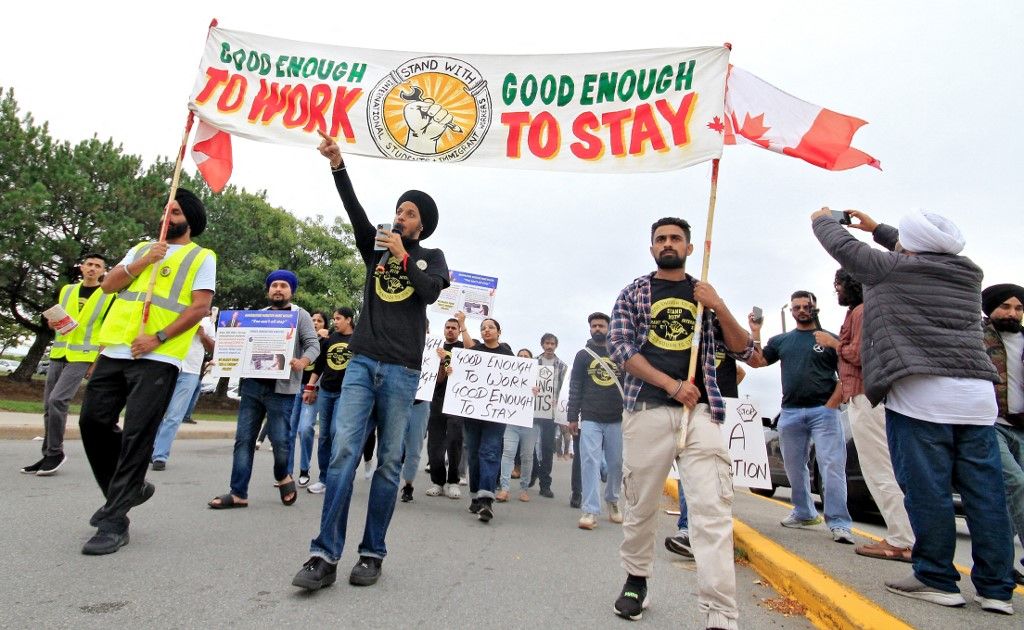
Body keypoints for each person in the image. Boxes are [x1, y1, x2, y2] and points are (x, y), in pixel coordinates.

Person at [812, 207, 1015, 613]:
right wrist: (880, 229)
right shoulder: (968, 271)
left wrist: (823, 217)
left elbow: (839, 243)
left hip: (922, 394)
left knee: (928, 490)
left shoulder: (889, 271)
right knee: (986, 495)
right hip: (976, 398)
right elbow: (920, 251)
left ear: (910, 245)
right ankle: (996, 591)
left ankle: (936, 578)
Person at [292, 130, 449, 591]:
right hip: (362, 364)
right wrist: (338, 163)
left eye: (409, 213)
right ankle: (323, 555)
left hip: (402, 372)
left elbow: (430, 292)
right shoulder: (375, 249)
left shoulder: (431, 257)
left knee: (388, 463)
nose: (400, 217)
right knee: (342, 452)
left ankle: (372, 553)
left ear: (421, 226)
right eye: (399, 210)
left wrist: (406, 257)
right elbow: (354, 210)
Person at [608, 217, 753, 626]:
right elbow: (620, 347)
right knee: (640, 505)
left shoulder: (705, 295)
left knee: (712, 511)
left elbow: (744, 349)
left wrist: (720, 306)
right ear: (651, 247)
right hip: (648, 409)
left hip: (701, 414)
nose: (667, 243)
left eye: (675, 239)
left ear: (690, 248)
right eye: (660, 239)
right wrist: (671, 385)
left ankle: (720, 612)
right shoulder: (635, 292)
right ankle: (636, 581)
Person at [78, 188, 215, 555]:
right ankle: (129, 490)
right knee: (92, 421)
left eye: (174, 212)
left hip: (159, 356)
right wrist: (142, 263)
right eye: (165, 211)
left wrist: (158, 337)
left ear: (190, 220)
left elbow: (200, 308)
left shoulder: (201, 256)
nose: (166, 217)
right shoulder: (141, 250)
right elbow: (108, 286)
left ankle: (114, 521)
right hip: (117, 349)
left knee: (138, 434)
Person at [816, 269, 914, 561]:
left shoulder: (861, 312)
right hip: (871, 399)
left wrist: (834, 344)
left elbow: (859, 355)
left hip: (865, 398)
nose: (836, 291)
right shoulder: (868, 311)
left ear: (852, 284)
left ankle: (902, 539)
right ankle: (906, 535)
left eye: (838, 285)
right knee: (887, 470)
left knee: (880, 470)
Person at [747, 291, 853, 544]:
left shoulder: (829, 339)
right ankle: (804, 512)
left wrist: (831, 406)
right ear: (792, 311)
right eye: (797, 307)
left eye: (807, 306)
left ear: (815, 308)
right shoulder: (783, 340)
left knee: (831, 466)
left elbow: (847, 373)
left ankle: (839, 523)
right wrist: (755, 331)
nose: (802, 310)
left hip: (823, 413)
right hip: (791, 412)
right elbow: (758, 361)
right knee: (794, 466)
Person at [208, 270, 319, 509]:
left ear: (291, 291)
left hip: (282, 390)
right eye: (274, 285)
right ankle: (238, 493)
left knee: (280, 442)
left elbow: (313, 344)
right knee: (244, 440)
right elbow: (237, 347)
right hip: (252, 386)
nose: (278, 289)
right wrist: (220, 359)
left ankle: (283, 475)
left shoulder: (301, 316)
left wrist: (303, 362)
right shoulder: (255, 317)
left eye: (283, 286)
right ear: (268, 290)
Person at [22, 253, 114, 476]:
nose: (92, 268)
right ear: (82, 268)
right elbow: (60, 319)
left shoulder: (108, 296)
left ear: (103, 271)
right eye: (89, 264)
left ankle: (56, 453)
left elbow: (108, 331)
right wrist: (53, 323)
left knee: (58, 400)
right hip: (59, 351)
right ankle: (47, 455)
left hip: (84, 355)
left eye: (97, 266)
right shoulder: (68, 290)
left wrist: (96, 362)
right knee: (48, 406)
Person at [666, 350, 745, 558]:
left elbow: (745, 368)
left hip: (722, 410)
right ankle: (687, 530)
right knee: (691, 474)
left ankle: (716, 534)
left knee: (721, 476)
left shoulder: (729, 338)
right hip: (698, 408)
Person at [981, 283, 1024, 586]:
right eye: (1006, 307)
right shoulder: (975, 336)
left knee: (1009, 500)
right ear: (990, 308)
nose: (1013, 313)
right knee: (1016, 483)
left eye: (1019, 308)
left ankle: (1002, 566)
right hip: (990, 423)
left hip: (1022, 427)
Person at [568, 312, 624, 530]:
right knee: (589, 461)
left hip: (617, 417)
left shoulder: (619, 353)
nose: (597, 329)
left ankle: (612, 499)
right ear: (590, 329)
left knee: (616, 463)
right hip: (590, 416)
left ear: (609, 328)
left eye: (601, 325)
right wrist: (573, 416)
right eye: (594, 326)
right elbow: (575, 386)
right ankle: (590, 510)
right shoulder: (583, 355)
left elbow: (629, 383)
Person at [458, 317, 513, 522]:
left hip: (496, 416)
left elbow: (516, 382)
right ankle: (475, 495)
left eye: (491, 327)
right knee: (473, 453)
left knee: (489, 452)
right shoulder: (474, 352)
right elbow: (462, 374)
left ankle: (486, 500)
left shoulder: (508, 355)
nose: (486, 330)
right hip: (472, 413)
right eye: (483, 328)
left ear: (499, 331)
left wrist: (529, 389)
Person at [150, 311, 216, 470]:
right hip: (167, 364)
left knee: (175, 415)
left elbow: (213, 348)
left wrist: (202, 335)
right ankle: (152, 447)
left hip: (190, 371)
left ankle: (160, 455)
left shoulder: (207, 323)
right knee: (156, 411)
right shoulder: (173, 314)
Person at [305, 307, 355, 495]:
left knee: (337, 433)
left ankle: (337, 477)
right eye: (334, 318)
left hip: (346, 393)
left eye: (339, 318)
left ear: (349, 320)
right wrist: (310, 388)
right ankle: (324, 479)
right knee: (324, 435)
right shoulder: (330, 339)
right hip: (326, 391)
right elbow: (318, 366)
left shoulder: (357, 340)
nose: (335, 322)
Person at [425, 315, 466, 499]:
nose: (450, 330)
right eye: (447, 327)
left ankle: (453, 481)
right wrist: (442, 361)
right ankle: (438, 481)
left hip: (457, 401)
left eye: (453, 328)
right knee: (435, 442)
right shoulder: (436, 348)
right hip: (437, 399)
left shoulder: (464, 348)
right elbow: (439, 379)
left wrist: (463, 323)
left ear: (458, 331)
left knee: (455, 441)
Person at [290, 310, 330, 487]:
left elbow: (323, 367)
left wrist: (313, 387)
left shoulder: (326, 342)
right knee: (289, 431)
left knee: (305, 428)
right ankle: (286, 473)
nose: (315, 323)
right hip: (293, 387)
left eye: (319, 321)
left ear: (325, 326)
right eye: (312, 320)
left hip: (312, 389)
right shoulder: (298, 339)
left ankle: (304, 469)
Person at [530, 333, 568, 501]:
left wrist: (559, 406)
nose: (549, 346)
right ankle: (532, 471)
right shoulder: (533, 363)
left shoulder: (562, 366)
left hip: (550, 413)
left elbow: (563, 390)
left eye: (552, 343)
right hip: (532, 411)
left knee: (547, 448)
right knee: (529, 446)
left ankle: (545, 484)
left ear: (556, 345)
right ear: (542, 344)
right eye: (547, 343)